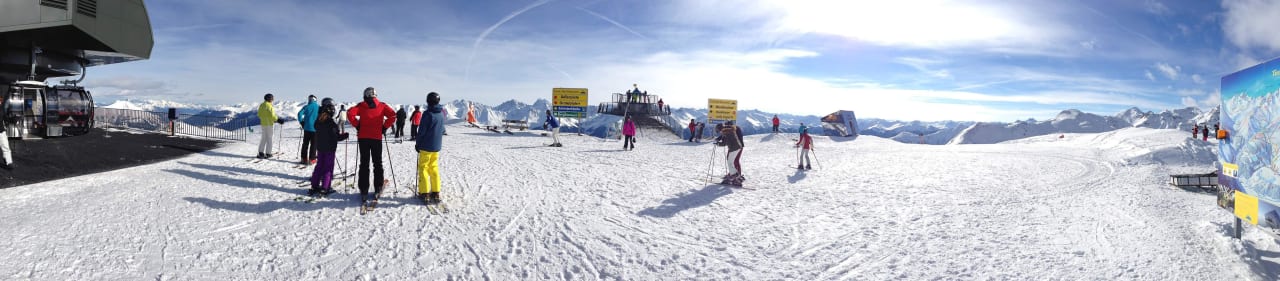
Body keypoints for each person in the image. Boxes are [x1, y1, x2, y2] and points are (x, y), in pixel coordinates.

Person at [347, 87, 397, 206]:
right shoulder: (382, 106)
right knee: (377, 163)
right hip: (376, 138)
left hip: (363, 138)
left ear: (365, 95)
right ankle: (378, 187)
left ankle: (364, 189)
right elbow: (393, 116)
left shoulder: (361, 105)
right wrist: (384, 127)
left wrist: (358, 125)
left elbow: (350, 113)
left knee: (364, 163)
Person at [310, 98, 349, 196]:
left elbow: (317, 128)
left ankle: (314, 185)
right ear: (329, 109)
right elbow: (336, 137)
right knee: (328, 168)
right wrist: (345, 135)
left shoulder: (318, 120)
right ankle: (325, 187)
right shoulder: (331, 123)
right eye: (332, 108)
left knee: (319, 166)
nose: (333, 109)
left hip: (320, 148)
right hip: (329, 149)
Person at [416, 92, 446, 203]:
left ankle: (424, 193)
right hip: (436, 146)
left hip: (426, 146)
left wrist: (418, 144)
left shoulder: (428, 114)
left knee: (423, 167)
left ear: (428, 101)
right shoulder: (441, 114)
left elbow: (422, 131)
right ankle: (436, 191)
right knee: (433, 167)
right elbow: (442, 130)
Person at [716, 121, 745, 186]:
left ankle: (735, 177)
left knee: (730, 162)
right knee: (731, 161)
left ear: (720, 129)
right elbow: (726, 139)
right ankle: (735, 175)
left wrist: (718, 144)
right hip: (738, 147)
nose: (719, 132)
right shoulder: (728, 130)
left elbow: (725, 142)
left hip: (734, 148)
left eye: (719, 131)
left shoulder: (726, 132)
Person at [257, 93, 285, 159]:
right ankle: (268, 153)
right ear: (269, 99)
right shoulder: (269, 106)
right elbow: (272, 115)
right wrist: (278, 120)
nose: (272, 100)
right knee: (270, 138)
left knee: (263, 138)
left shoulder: (262, 105)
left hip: (263, 124)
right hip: (269, 124)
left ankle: (261, 152)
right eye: (272, 98)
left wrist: (264, 118)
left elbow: (259, 114)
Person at [298, 95, 320, 164]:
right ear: (315, 100)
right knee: (314, 144)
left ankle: (303, 159)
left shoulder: (306, 107)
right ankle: (312, 159)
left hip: (306, 128)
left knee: (305, 144)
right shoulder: (319, 107)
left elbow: (299, 114)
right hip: (315, 129)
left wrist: (302, 122)